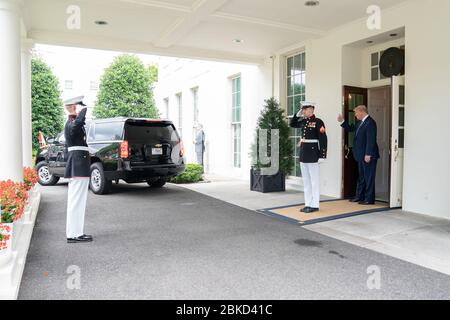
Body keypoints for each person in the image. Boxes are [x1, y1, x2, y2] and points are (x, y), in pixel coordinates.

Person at [64, 96, 93, 243]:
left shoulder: (72, 124)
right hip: (78, 166)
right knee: (76, 201)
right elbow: (78, 123)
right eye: (78, 105)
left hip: (78, 165)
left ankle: (76, 232)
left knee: (77, 201)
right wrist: (83, 110)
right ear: (73, 107)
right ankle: (74, 234)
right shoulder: (71, 123)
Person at [290, 102, 327, 213]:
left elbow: (323, 139)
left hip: (313, 155)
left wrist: (322, 155)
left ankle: (315, 205)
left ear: (311, 109)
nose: (304, 111)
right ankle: (308, 203)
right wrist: (298, 113)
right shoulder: (304, 121)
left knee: (314, 181)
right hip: (303, 154)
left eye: (305, 109)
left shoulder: (318, 122)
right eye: (303, 109)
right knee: (306, 181)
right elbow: (292, 123)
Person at [338, 105, 379, 205]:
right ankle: (359, 197)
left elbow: (371, 140)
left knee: (369, 178)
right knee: (361, 177)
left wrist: (368, 154)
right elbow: (351, 128)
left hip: (368, 155)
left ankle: (369, 199)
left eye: (356, 113)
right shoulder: (360, 122)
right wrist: (342, 121)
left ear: (361, 111)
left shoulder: (370, 122)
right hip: (360, 155)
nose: (355, 115)